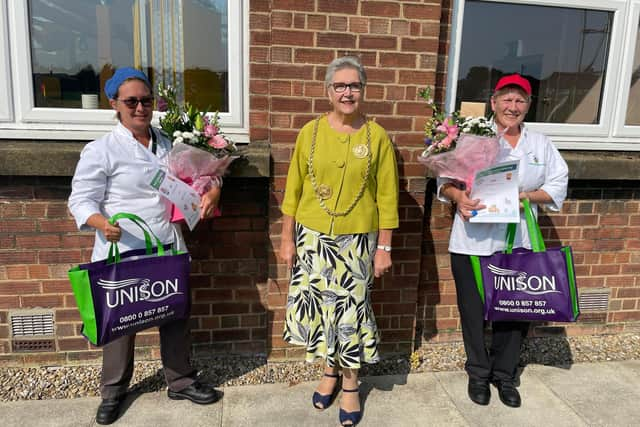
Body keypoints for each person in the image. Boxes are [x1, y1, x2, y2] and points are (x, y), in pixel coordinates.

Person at [68, 68, 222, 425]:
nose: (140, 107)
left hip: (166, 242)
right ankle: (114, 391)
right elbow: (80, 200)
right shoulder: (101, 150)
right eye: (131, 101)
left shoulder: (168, 142)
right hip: (123, 247)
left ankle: (180, 380)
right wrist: (102, 224)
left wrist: (213, 188)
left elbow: (200, 174)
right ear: (114, 105)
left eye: (146, 100)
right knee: (121, 322)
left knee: (175, 313)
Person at [279, 56, 399, 426]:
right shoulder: (309, 133)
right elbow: (293, 190)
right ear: (327, 91)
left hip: (357, 242)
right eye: (340, 86)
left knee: (350, 313)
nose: (347, 92)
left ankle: (350, 383)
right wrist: (286, 238)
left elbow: (387, 197)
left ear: (364, 90)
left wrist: (384, 247)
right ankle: (329, 371)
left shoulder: (376, 136)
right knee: (321, 312)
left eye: (354, 86)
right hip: (312, 238)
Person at [438, 74, 568, 408]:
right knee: (473, 311)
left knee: (514, 310)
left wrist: (524, 195)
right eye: (506, 99)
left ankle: (505, 376)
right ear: (493, 102)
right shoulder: (472, 136)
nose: (513, 106)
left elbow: (557, 184)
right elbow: (445, 182)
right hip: (472, 241)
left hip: (518, 242)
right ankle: (478, 374)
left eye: (520, 100)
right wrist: (458, 197)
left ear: (528, 105)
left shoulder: (539, 143)